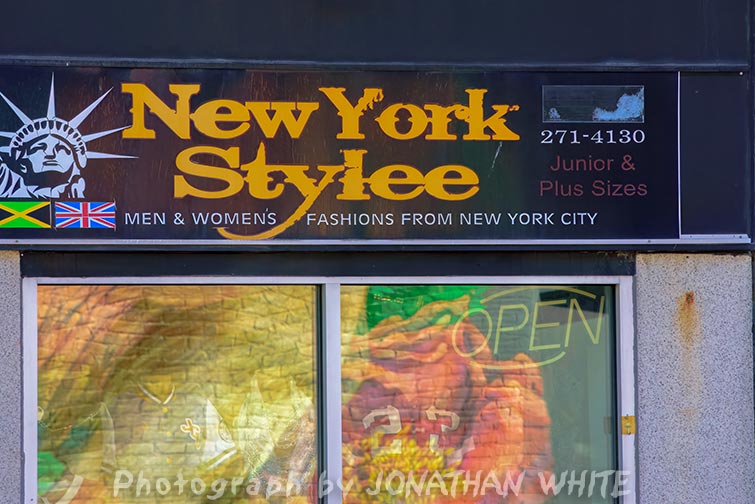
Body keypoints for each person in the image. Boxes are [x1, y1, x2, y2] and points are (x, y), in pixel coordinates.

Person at [0, 118, 87, 198]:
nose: (51, 154)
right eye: (39, 148)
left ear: (76, 160)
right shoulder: (10, 190)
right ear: (22, 163)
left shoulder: (78, 197)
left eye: (61, 148)